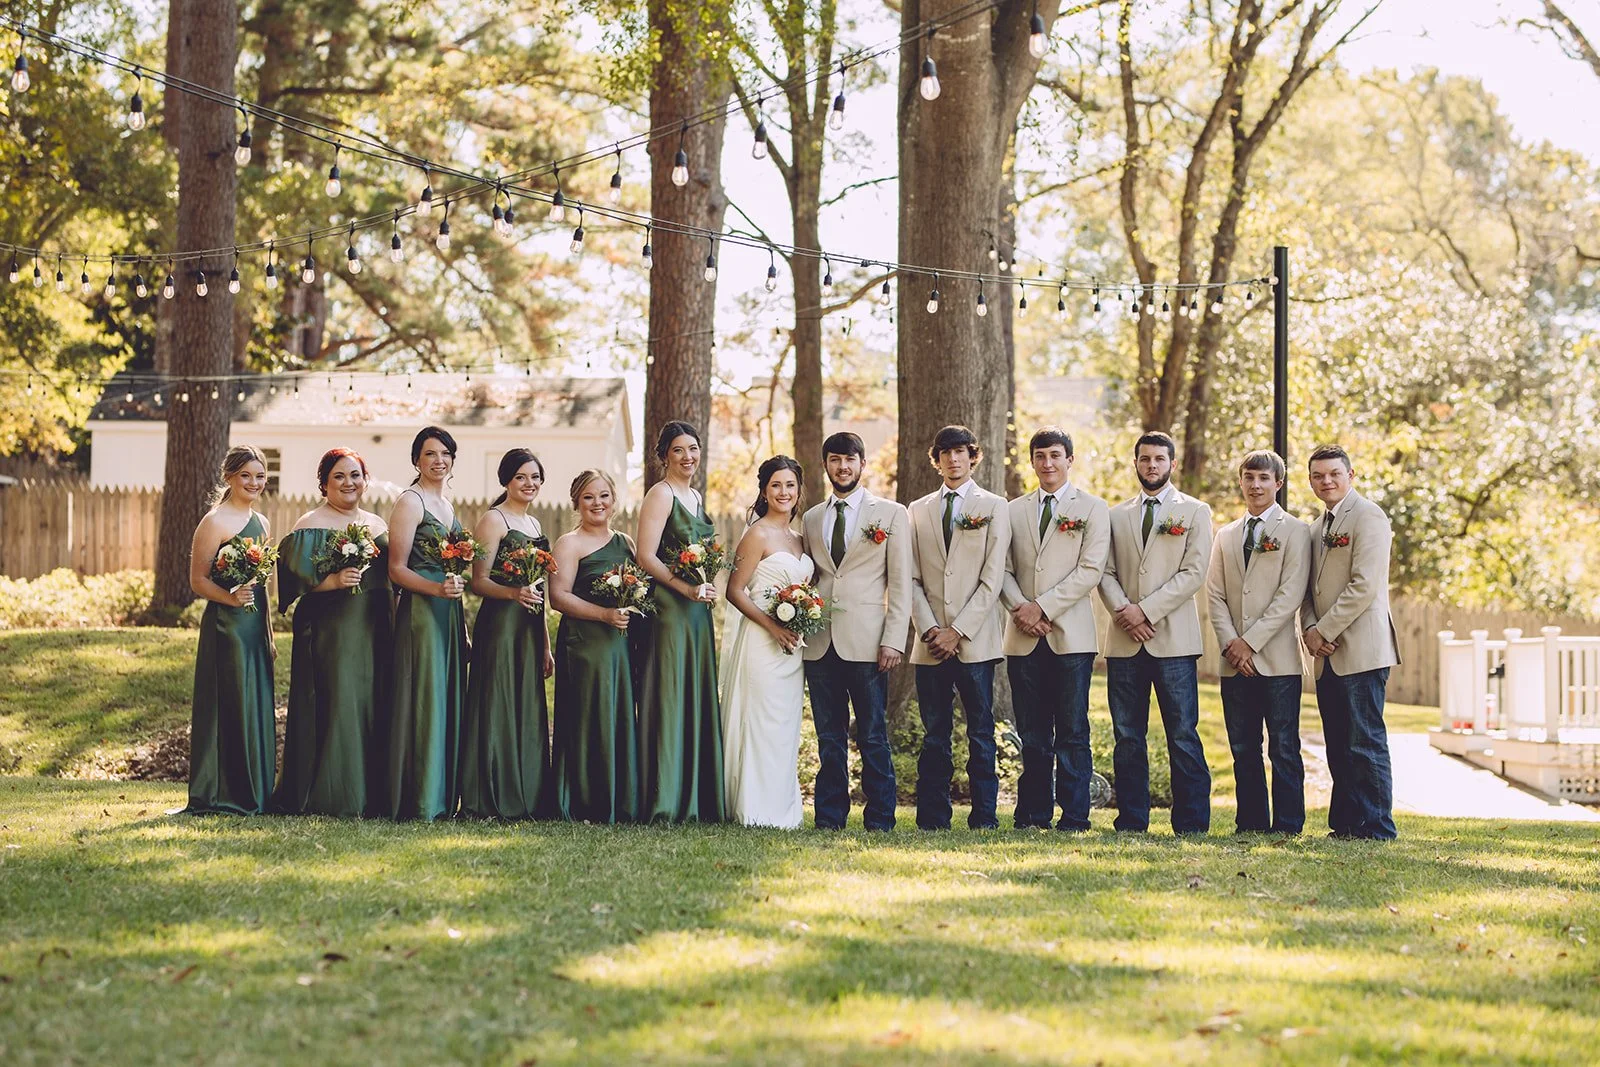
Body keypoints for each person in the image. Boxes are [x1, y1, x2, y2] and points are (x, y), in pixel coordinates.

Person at [1097, 431, 1214, 835]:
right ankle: (1132, 821)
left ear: (1172, 464)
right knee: (1128, 736)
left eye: (1159, 459)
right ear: (1135, 463)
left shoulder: (1195, 512)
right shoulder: (1114, 515)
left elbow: (1194, 573)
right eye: (1145, 459)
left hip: (1174, 641)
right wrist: (1125, 613)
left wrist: (1144, 611)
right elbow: (1104, 572)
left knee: (1182, 733)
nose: (1152, 466)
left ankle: (1192, 823)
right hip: (1124, 641)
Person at [999, 428, 1110, 831]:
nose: (1048, 463)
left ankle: (1075, 815)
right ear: (1032, 461)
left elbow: (1090, 570)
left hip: (1072, 636)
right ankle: (1032, 813)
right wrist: (1022, 610)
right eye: (1040, 456)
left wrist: (1042, 608)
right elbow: (1001, 569)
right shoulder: (1012, 511)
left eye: (1055, 455)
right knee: (1032, 731)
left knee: (1073, 729)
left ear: (1069, 460)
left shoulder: (1093, 508)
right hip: (1022, 636)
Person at [800, 432, 911, 832]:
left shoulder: (891, 514)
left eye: (849, 459)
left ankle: (880, 817)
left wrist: (893, 639)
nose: (842, 467)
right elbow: (810, 578)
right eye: (835, 459)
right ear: (826, 465)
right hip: (820, 643)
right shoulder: (812, 518)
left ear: (863, 464)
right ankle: (830, 817)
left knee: (873, 735)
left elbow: (900, 582)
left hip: (869, 642)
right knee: (829, 738)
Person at [271, 448, 391, 818]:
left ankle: (373, 795)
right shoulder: (310, 523)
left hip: (376, 627)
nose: (348, 482)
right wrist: (334, 581)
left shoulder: (377, 525)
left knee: (373, 702)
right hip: (330, 629)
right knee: (339, 700)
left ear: (365, 481)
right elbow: (292, 580)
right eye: (339, 476)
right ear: (324, 484)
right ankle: (331, 794)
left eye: (355, 475)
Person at [907, 425, 1011, 830]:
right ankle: (933, 817)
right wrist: (931, 629)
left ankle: (984, 816)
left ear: (973, 457)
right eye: (945, 453)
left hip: (976, 641)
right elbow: (910, 578)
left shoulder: (995, 506)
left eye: (960, 452)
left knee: (980, 732)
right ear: (936, 460)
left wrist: (959, 630)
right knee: (934, 733)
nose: (953, 459)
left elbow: (993, 577)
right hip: (930, 642)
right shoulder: (917, 509)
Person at [1205, 450, 1311, 834]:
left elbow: (1290, 594)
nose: (1255, 485)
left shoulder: (1296, 532)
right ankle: (1250, 822)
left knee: (1284, 746)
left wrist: (1250, 643)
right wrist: (1231, 644)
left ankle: (1288, 824)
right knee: (1242, 747)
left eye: (1264, 478)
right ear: (1240, 481)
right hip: (1233, 661)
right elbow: (1215, 595)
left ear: (1278, 483)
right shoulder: (1226, 535)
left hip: (1278, 659)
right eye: (1249, 477)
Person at [1302, 444, 1400, 840]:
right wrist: (1310, 630)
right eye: (1318, 475)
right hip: (1325, 654)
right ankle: (1346, 825)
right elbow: (1307, 590)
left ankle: (1377, 826)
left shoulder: (1369, 516)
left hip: (1362, 650)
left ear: (1350, 475)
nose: (1326, 481)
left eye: (1333, 474)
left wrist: (1323, 630)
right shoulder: (1314, 529)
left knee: (1365, 741)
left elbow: (1364, 586)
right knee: (1338, 745)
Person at [634, 421, 725, 823]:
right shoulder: (661, 494)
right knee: (670, 694)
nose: (688, 457)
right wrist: (685, 588)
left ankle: (695, 794)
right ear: (664, 456)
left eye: (693, 449)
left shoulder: (696, 495)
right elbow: (645, 556)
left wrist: (703, 586)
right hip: (671, 609)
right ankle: (666, 797)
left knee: (692, 692)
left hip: (697, 611)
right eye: (678, 450)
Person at [460, 448, 555, 820]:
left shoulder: (535, 525)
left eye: (535, 477)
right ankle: (491, 793)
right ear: (506, 481)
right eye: (521, 477)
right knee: (498, 700)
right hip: (500, 625)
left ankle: (527, 793)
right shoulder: (493, 520)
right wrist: (514, 593)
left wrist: (545, 644)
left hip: (529, 627)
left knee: (525, 703)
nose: (529, 483)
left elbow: (540, 591)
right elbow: (478, 582)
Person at [720, 456, 813, 829]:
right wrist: (772, 627)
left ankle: (781, 808)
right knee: (760, 722)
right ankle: (753, 807)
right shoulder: (756, 534)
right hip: (762, 642)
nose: (783, 492)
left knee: (784, 726)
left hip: (792, 647)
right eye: (776, 485)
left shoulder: (800, 538)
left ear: (799, 491)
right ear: (763, 491)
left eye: (790, 485)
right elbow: (734, 590)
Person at [185, 445, 277, 815]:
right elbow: (198, 581)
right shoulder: (213, 522)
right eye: (246, 476)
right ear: (229, 477)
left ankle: (257, 791)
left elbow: (263, 585)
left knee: (255, 702)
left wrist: (269, 634)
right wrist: (230, 598)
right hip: (226, 626)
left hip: (255, 626)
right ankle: (224, 792)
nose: (254, 483)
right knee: (231, 702)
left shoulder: (263, 523)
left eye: (260, 476)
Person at [385, 426, 469, 821]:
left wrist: (462, 627)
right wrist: (436, 590)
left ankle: (442, 794)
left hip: (448, 613)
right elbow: (397, 569)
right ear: (416, 460)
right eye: (430, 454)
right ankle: (420, 797)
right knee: (425, 698)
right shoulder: (410, 501)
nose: (439, 460)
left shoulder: (447, 506)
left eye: (445, 454)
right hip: (421, 612)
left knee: (445, 697)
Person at [549, 469, 640, 823]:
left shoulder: (626, 543)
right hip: (585, 644)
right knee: (588, 717)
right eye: (588, 497)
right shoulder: (568, 544)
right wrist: (603, 615)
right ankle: (585, 800)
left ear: (614, 500)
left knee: (617, 715)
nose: (597, 503)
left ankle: (619, 798)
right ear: (577, 503)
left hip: (620, 644)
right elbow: (558, 597)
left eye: (603, 496)